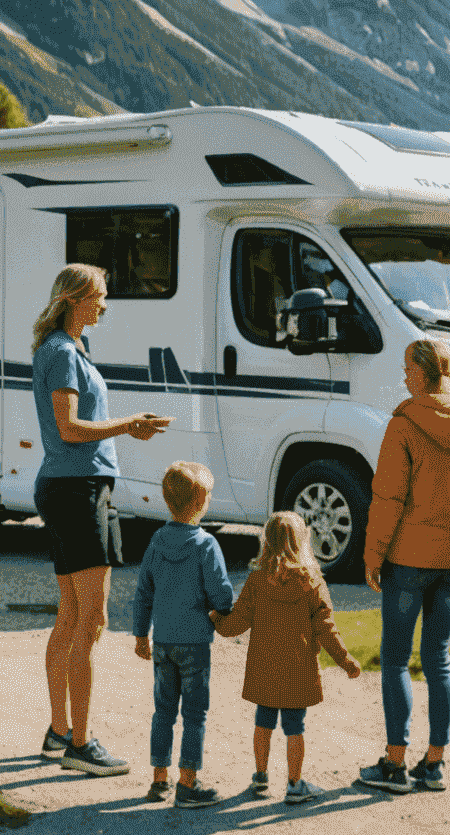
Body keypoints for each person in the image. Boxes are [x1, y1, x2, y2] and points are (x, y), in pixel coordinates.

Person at [32, 263, 172, 777]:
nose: (104, 306)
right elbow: (69, 428)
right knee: (92, 621)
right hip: (78, 490)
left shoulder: (63, 350)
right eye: (98, 298)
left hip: (68, 487)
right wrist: (129, 425)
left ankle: (59, 730)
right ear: (73, 298)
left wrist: (125, 425)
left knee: (70, 616)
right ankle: (81, 745)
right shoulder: (62, 353)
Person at [358, 337, 450, 795]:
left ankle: (394, 766)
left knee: (396, 660)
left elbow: (388, 498)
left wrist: (373, 556)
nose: (403, 377)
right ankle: (433, 765)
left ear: (425, 375)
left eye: (408, 371)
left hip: (408, 559)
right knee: (438, 659)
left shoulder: (404, 424)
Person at [210, 511, 361, 804]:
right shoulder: (312, 582)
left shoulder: (257, 581)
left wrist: (216, 618)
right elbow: (326, 628)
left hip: (264, 668)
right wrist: (345, 660)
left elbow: (237, 622)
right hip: (298, 669)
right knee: (295, 727)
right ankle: (294, 784)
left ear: (265, 541)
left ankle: (260, 777)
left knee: (263, 722)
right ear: (303, 541)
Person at [132, 460, 235, 807]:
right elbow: (221, 593)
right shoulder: (206, 545)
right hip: (194, 643)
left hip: (162, 642)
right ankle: (188, 783)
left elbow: (144, 591)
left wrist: (139, 635)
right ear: (202, 502)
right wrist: (224, 610)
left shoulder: (156, 542)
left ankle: (159, 780)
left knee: (163, 711)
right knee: (194, 714)